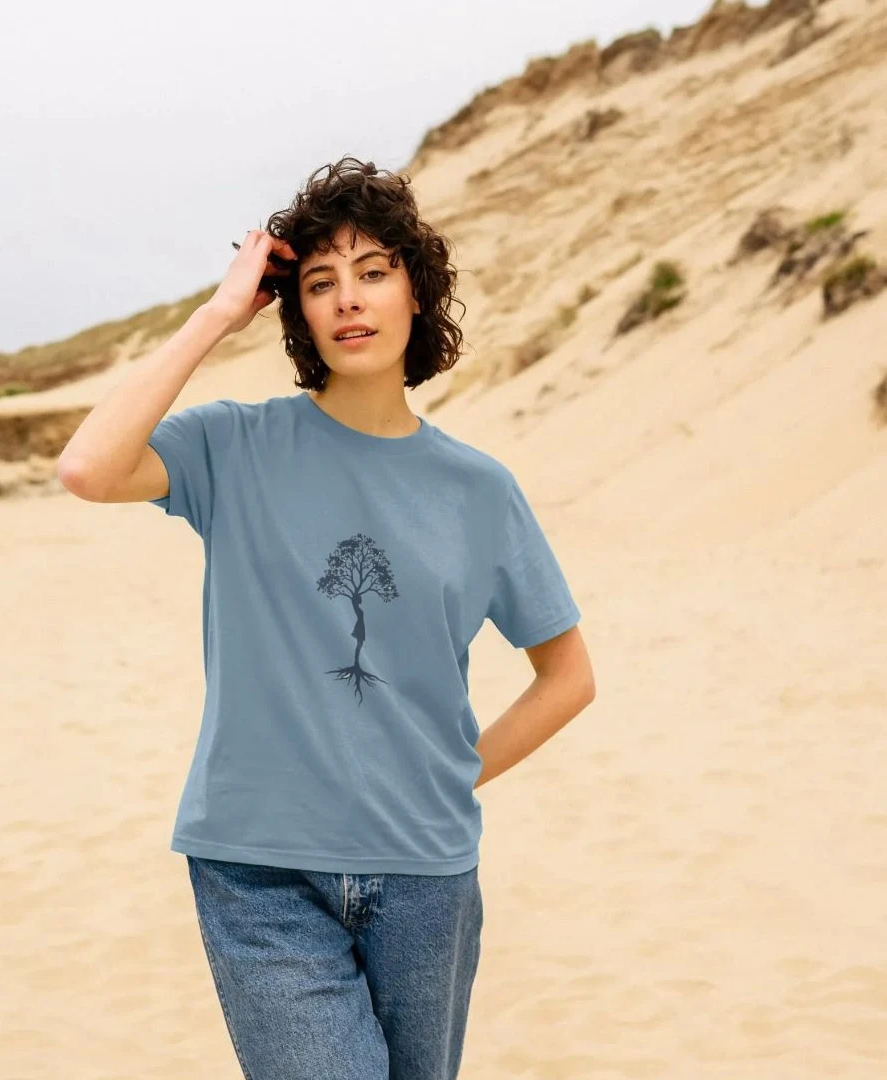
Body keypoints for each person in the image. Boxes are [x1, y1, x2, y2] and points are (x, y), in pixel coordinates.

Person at [57, 156, 596, 1080]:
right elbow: (88, 468)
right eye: (319, 281)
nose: (349, 298)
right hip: (257, 872)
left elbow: (568, 677)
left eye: (373, 271)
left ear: (416, 292)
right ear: (297, 311)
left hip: (426, 871)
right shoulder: (234, 445)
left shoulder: (478, 490)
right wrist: (217, 315)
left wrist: (452, 774)